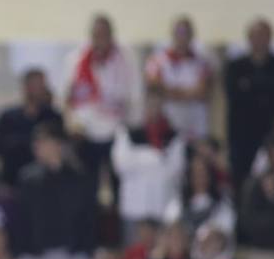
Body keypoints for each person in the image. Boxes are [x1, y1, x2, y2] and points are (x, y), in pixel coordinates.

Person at [11, 123, 97, 259]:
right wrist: (21, 252)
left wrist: (85, 250)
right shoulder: (27, 178)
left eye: (43, 142)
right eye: (36, 143)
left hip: (71, 254)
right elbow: (20, 220)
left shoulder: (78, 177)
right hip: (35, 256)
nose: (37, 147)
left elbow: (88, 218)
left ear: (58, 145)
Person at [61, 13, 139, 179]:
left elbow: (134, 96)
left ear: (112, 35)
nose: (101, 39)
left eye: (105, 34)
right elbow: (67, 97)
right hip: (86, 133)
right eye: (97, 34)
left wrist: (131, 126)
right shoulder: (77, 60)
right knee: (88, 182)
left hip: (117, 130)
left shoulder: (126, 59)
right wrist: (72, 123)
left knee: (118, 181)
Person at [224, 17, 274, 186]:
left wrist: (250, 85)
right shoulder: (235, 67)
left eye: (263, 35)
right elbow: (234, 94)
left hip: (271, 135)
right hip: (242, 137)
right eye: (255, 35)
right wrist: (264, 86)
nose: (259, 40)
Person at [111, 90, 185, 243]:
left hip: (161, 207)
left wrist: (139, 158)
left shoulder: (174, 136)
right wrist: (157, 158)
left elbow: (174, 170)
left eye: (157, 104)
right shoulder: (127, 133)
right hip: (134, 209)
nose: (153, 109)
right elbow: (121, 165)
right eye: (150, 104)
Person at [143, 15, 213, 141]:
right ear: (172, 34)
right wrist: (189, 92)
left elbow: (203, 91)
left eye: (186, 32)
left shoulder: (202, 61)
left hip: (195, 122)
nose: (182, 36)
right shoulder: (158, 60)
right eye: (179, 32)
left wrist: (172, 91)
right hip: (169, 121)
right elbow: (155, 87)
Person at [0, 68, 61, 188]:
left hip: (47, 184)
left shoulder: (53, 117)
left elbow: (59, 149)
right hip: (13, 182)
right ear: (25, 87)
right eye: (34, 84)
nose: (38, 89)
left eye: (41, 85)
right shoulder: (7, 118)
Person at [163, 146, 235, 236]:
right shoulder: (178, 204)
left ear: (210, 176)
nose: (200, 179)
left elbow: (225, 231)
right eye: (195, 174)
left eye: (203, 174)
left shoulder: (221, 204)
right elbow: (169, 225)